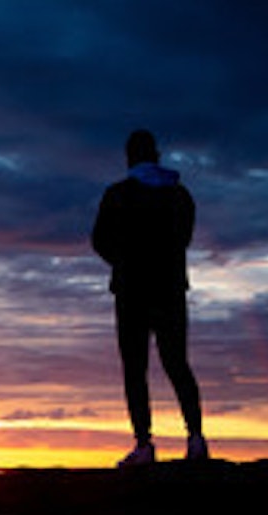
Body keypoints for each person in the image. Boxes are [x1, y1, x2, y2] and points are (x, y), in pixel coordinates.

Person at [92, 129, 206, 468]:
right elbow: (184, 239)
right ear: (156, 154)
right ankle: (196, 438)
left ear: (129, 157)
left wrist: (124, 262)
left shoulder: (117, 194)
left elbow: (99, 240)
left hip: (131, 290)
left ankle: (144, 444)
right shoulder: (180, 195)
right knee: (177, 363)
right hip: (169, 288)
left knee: (135, 368)